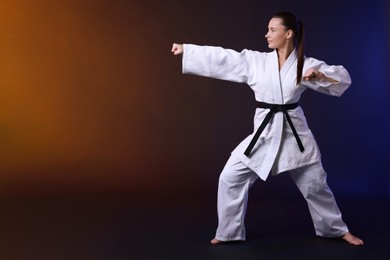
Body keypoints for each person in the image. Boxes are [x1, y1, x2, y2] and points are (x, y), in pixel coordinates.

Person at [171, 11, 363, 246]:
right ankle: (228, 232)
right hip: (264, 135)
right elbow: (226, 58)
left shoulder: (306, 64)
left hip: (295, 137)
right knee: (230, 178)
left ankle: (336, 230)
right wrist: (189, 51)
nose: (267, 34)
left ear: (288, 33)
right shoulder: (257, 62)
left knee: (316, 186)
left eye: (272, 30)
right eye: (268, 29)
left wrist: (321, 76)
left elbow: (342, 78)